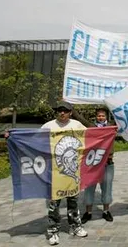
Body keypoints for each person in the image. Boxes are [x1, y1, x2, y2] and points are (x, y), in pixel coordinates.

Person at [38, 101, 89, 245]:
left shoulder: (77, 125)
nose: (62, 113)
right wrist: (11, 136)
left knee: (73, 202)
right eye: (60, 110)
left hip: (73, 172)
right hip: (54, 174)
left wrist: (109, 132)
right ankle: (53, 231)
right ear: (57, 112)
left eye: (65, 111)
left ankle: (75, 226)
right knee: (54, 204)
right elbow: (33, 139)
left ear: (70, 112)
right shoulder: (48, 126)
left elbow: (92, 136)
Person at [82, 108, 116, 223]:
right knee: (89, 188)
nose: (100, 118)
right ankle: (88, 212)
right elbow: (80, 119)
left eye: (102, 116)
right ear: (96, 117)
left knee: (107, 187)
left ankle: (106, 211)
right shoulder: (91, 126)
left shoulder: (112, 127)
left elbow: (122, 118)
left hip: (107, 163)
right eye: (99, 116)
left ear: (106, 117)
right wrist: (71, 108)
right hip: (93, 164)